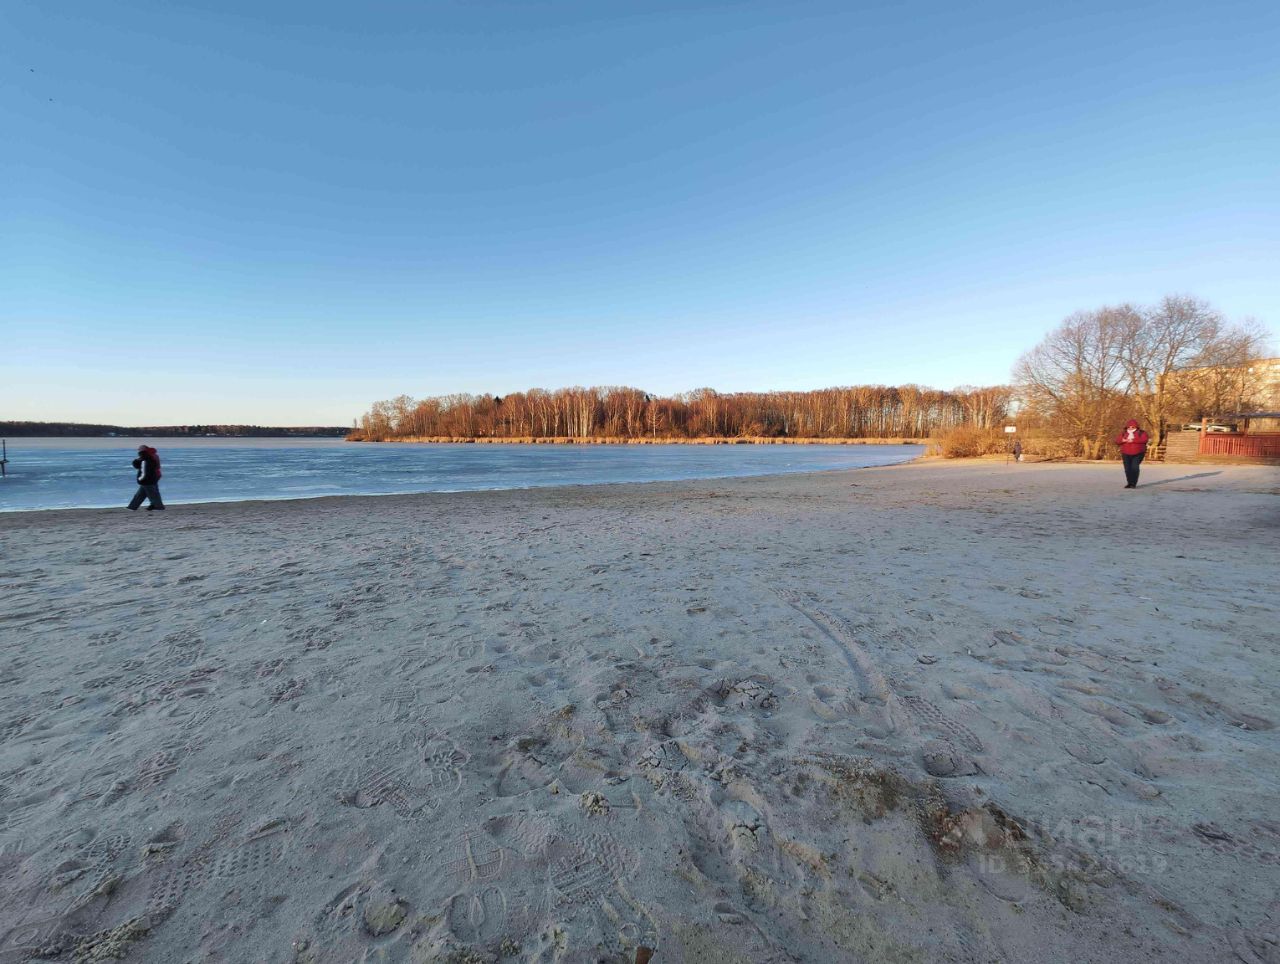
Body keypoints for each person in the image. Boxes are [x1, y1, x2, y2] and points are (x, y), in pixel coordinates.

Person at [128, 444, 165, 511]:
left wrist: (141, 478)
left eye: (139, 449)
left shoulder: (147, 457)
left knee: (152, 493)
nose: (138, 450)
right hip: (153, 476)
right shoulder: (152, 455)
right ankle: (132, 507)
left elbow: (142, 467)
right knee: (142, 493)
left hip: (149, 478)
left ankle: (158, 506)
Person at [1115, 419, 1149, 489]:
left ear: (1136, 427)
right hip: (1125, 453)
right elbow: (1117, 441)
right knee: (1127, 469)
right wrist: (1123, 440)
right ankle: (1129, 483)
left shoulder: (1142, 433)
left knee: (1134, 468)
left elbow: (1145, 439)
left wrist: (1133, 440)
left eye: (1132, 427)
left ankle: (1133, 483)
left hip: (1138, 453)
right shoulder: (1123, 433)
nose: (1130, 428)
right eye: (1129, 427)